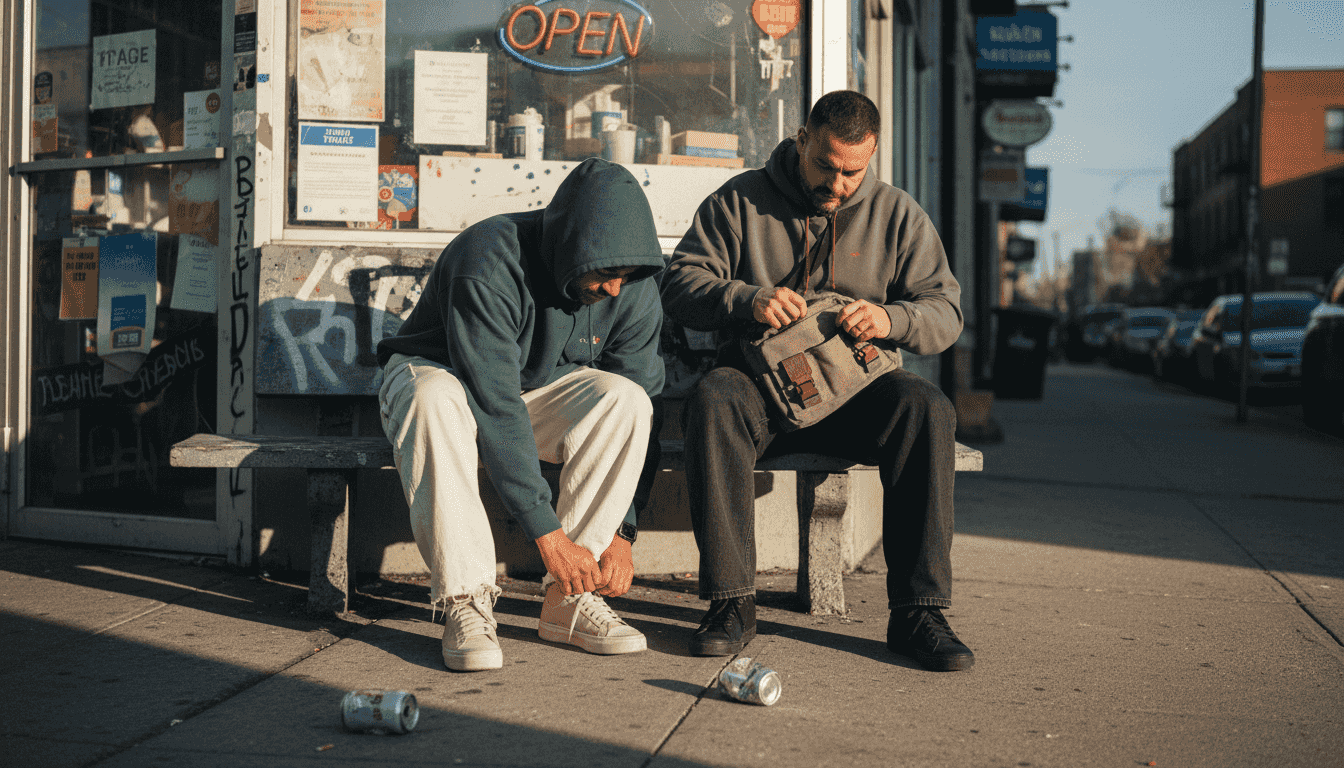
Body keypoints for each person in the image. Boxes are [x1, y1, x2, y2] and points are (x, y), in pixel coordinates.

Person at [660, 90, 974, 671]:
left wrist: (891, 319)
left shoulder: (899, 213)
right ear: (802, 139)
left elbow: (946, 312)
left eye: (853, 172)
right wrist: (745, 300)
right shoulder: (739, 200)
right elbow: (679, 284)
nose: (837, 184)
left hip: (857, 392)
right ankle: (731, 601)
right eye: (824, 165)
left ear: (872, 153)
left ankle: (917, 611)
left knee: (927, 408)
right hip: (760, 388)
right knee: (715, 397)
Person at [377, 158, 665, 672]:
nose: (616, 289)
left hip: (529, 390)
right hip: (438, 375)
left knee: (626, 399)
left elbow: (643, 396)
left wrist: (622, 533)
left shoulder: (634, 283)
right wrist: (546, 535)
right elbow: (493, 401)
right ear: (570, 246)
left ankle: (569, 599)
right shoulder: (488, 257)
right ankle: (464, 601)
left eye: (625, 276)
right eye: (603, 273)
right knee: (435, 400)